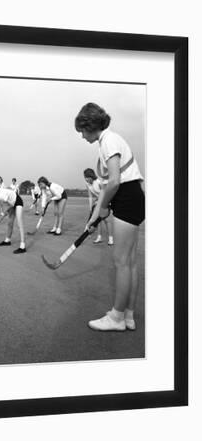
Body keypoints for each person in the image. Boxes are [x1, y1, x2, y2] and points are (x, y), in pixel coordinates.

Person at [75, 102, 145, 332]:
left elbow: (114, 181)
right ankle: (128, 316)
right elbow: (105, 188)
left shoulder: (108, 141)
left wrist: (104, 207)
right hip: (130, 196)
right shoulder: (107, 142)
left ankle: (115, 318)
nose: (82, 136)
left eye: (82, 131)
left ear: (90, 125)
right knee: (130, 263)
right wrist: (95, 216)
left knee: (121, 262)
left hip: (126, 196)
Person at [0, 184, 27, 254]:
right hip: (11, 202)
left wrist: (7, 210)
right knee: (10, 223)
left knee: (19, 223)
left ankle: (22, 246)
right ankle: (7, 240)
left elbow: (11, 203)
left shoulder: (0, 195)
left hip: (17, 201)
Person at [84, 168, 114, 245]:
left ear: (91, 176)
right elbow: (90, 196)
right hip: (98, 201)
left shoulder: (99, 182)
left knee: (106, 220)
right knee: (98, 221)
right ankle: (99, 237)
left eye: (87, 177)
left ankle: (111, 239)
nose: (86, 179)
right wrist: (90, 208)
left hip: (106, 201)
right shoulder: (87, 184)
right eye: (85, 177)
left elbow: (105, 192)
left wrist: (101, 201)